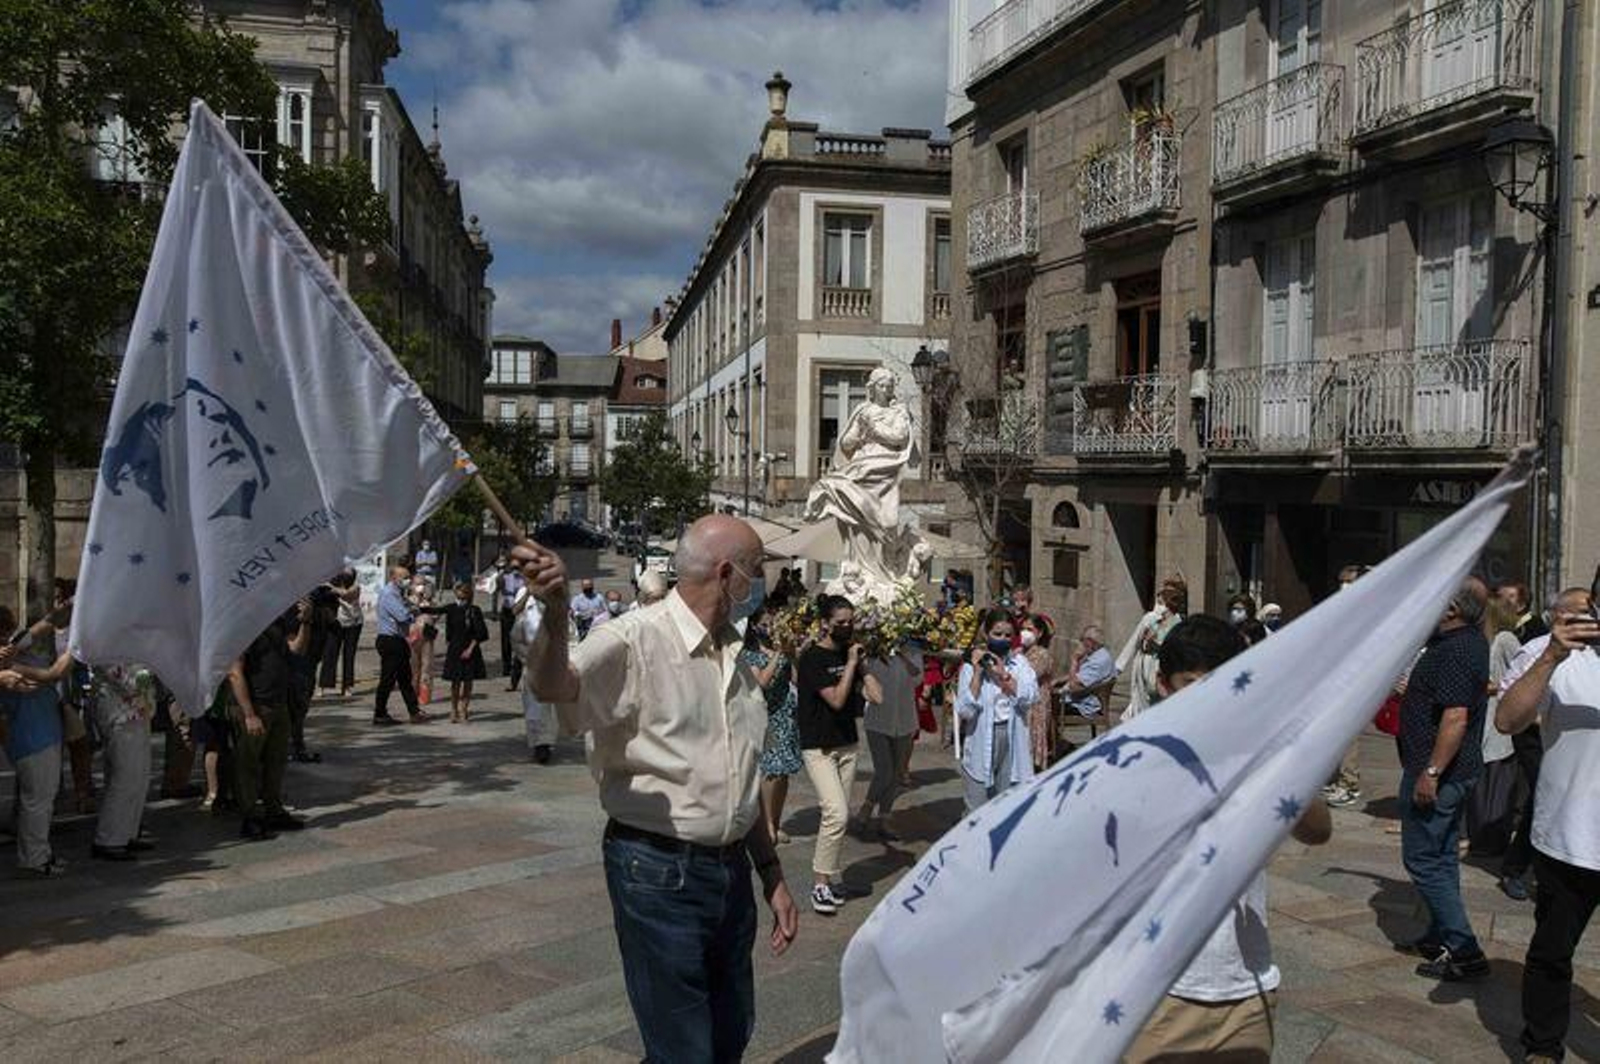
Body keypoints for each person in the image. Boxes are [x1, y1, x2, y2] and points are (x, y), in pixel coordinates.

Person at [516, 514, 797, 1061]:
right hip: (657, 872)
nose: (762, 581)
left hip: (732, 874)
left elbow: (738, 781)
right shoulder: (634, 637)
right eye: (757, 568)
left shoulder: (734, 652)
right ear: (727, 573)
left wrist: (772, 875)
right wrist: (554, 611)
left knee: (730, 1034)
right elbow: (555, 686)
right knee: (682, 1049)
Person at [1127, 615, 1332, 1062]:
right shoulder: (1132, 761)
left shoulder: (1257, 755)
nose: (1208, 699)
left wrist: (1284, 763)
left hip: (1246, 990)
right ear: (1163, 684)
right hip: (1155, 996)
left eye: (1221, 685)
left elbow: (1319, 832)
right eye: (1192, 685)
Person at [1495, 587, 1600, 1063]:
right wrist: (1552, 657)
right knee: (1552, 953)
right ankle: (1542, 1046)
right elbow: (1507, 720)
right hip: (1568, 839)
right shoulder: (1553, 652)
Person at [1395, 577, 1491, 982]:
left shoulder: (1457, 649)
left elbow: (1455, 717)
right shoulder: (1458, 642)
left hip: (1439, 773)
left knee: (1422, 859)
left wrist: (1431, 772)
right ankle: (1440, 936)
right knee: (1442, 855)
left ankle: (1465, 950)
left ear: (1452, 609)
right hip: (1449, 770)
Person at [796, 594, 881, 915]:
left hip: (846, 744)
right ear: (825, 624)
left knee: (838, 818)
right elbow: (836, 699)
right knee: (836, 813)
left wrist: (864, 666)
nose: (847, 627)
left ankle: (829, 879)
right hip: (818, 746)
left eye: (850, 621)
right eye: (840, 622)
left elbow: (877, 697)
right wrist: (850, 666)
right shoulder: (812, 658)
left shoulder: (851, 654)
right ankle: (819, 884)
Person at [1499, 586, 1571, 902]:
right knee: (1545, 795)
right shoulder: (1535, 649)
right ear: (1556, 615)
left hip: (1570, 740)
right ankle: (1515, 868)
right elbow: (1507, 696)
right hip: (1533, 735)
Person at [0, 608, 77, 876]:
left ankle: (39, 853)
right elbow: (53, 674)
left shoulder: (13, 648)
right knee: (38, 800)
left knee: (41, 798)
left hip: (43, 734)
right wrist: (79, 645)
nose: (13, 637)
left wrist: (73, 607)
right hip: (31, 739)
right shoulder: (6, 665)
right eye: (8, 631)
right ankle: (34, 858)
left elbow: (45, 623)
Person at [227, 604, 312, 841]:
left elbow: (297, 649)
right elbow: (234, 672)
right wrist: (249, 714)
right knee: (247, 763)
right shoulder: (243, 625)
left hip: (277, 703)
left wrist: (306, 622)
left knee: (277, 760)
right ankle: (249, 816)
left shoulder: (276, 621)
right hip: (254, 705)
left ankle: (273, 809)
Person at [955, 609, 1039, 812]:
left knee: (1006, 804)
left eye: (1008, 635)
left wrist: (1003, 675)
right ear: (987, 633)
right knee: (976, 806)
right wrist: (977, 673)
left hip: (1011, 735)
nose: (1002, 639)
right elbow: (965, 711)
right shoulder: (971, 666)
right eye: (997, 634)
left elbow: (1030, 697)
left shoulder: (1019, 664)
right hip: (981, 736)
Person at [1465, 594, 1523, 858]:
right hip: (1480, 718)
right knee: (1480, 783)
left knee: (1496, 785)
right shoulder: (1481, 640)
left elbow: (1522, 676)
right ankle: (1478, 838)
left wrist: (1493, 687)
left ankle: (1492, 841)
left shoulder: (1505, 639)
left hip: (1497, 719)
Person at [741, 610, 802, 844]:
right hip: (766, 715)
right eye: (765, 624)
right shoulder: (750, 653)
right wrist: (778, 654)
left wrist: (791, 655)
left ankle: (776, 822)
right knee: (772, 771)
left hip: (786, 714)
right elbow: (762, 683)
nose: (770, 628)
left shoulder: (780, 650)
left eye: (772, 623)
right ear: (754, 626)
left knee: (783, 772)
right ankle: (766, 824)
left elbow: (796, 679)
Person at [90, 663, 156, 861]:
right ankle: (108, 839)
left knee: (139, 776)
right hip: (120, 711)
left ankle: (127, 832)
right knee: (125, 777)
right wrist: (141, 680)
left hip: (138, 708)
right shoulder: (104, 644)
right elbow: (112, 670)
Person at [859, 645, 921, 841]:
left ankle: (884, 817)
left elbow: (918, 678)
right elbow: (864, 679)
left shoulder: (913, 650)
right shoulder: (874, 652)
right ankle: (867, 806)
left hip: (905, 718)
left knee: (896, 773)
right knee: (884, 770)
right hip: (878, 719)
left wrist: (903, 655)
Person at [1324, 564, 1372, 808]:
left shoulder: (1367, 612)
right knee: (1335, 732)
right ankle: (1337, 778)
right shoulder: (1344, 608)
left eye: (1350, 582)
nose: (1344, 586)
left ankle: (1350, 783)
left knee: (1348, 734)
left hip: (1354, 679)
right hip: (1338, 677)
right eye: (1341, 582)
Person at [1115, 576, 1186, 721]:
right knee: (1142, 700)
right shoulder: (1151, 618)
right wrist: (1118, 667)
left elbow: (1175, 647)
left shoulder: (1178, 623)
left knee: (1155, 700)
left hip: (1161, 664)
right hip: (1145, 662)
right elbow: (1135, 641)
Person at [422, 582, 490, 724]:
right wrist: (418, 608)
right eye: (457, 592)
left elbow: (481, 633)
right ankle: (453, 710)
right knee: (455, 682)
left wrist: (470, 649)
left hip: (470, 649)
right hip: (455, 649)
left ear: (468, 594)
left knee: (468, 681)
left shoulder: (474, 610)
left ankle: (464, 709)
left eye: (462, 592)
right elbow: (436, 610)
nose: (458, 595)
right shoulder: (452, 608)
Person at [373, 564, 427, 725]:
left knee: (405, 678)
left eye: (408, 577)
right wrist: (414, 609)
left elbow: (408, 609)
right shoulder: (389, 594)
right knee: (387, 679)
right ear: (393, 578)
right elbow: (402, 616)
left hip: (398, 639)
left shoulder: (398, 593)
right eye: (404, 577)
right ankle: (380, 713)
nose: (407, 580)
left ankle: (414, 711)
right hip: (389, 640)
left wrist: (413, 606)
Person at [1058, 624, 1117, 726]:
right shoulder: (1100, 655)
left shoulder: (1098, 662)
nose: (1080, 644)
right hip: (1083, 700)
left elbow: (1074, 687)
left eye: (1082, 640)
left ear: (1090, 642)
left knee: (1047, 705)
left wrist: (1074, 660)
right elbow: (1080, 675)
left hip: (1083, 706)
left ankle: (1050, 735)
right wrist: (1058, 681)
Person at [1018, 615, 1055, 769]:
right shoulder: (1022, 652)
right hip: (1022, 701)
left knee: (1033, 735)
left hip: (1036, 703)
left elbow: (1028, 676)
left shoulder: (1042, 654)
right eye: (1022, 629)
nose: (1025, 633)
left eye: (1029, 629)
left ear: (1039, 633)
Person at [320, 569, 362, 697]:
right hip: (336, 622)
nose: (345, 578)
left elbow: (347, 596)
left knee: (349, 655)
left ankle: (347, 686)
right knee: (330, 653)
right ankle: (324, 685)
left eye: (348, 575)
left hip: (354, 623)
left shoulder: (355, 586)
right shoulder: (332, 584)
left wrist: (332, 588)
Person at [495, 555, 527, 686]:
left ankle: (518, 665)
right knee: (506, 639)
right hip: (507, 609)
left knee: (519, 639)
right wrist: (500, 570)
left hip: (520, 610)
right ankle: (506, 666)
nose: (515, 570)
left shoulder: (524, 579)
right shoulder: (505, 577)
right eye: (513, 567)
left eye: (517, 567)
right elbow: (498, 583)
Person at [408, 575, 438, 707]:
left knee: (427, 666)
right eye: (417, 584)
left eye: (422, 584)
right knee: (413, 667)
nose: (420, 587)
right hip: (412, 636)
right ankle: (412, 693)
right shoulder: (408, 600)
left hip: (427, 637)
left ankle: (425, 695)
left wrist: (427, 602)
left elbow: (436, 616)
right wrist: (415, 602)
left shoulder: (431, 602)